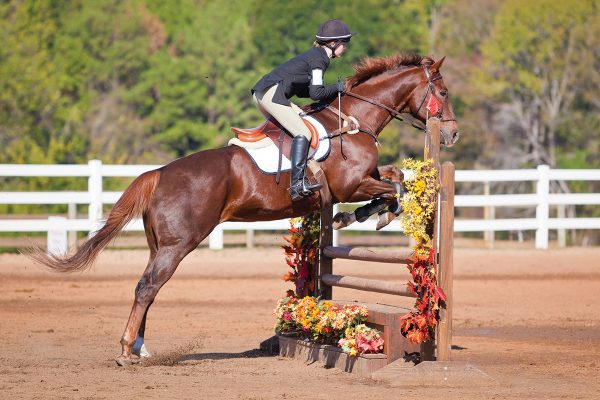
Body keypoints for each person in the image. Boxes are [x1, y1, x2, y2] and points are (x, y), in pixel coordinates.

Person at [251, 19, 356, 201]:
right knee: (303, 133)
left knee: (300, 122)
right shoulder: (320, 59)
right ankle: (297, 184)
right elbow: (316, 93)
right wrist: (338, 87)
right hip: (271, 94)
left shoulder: (315, 55)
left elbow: (304, 92)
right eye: (343, 44)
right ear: (333, 44)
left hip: (265, 92)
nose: (345, 48)